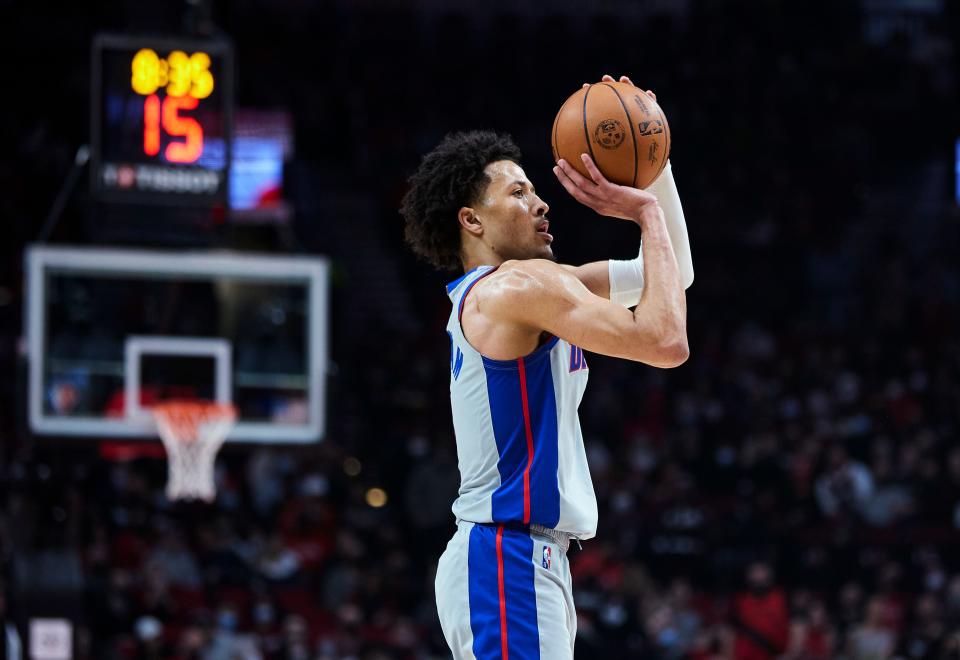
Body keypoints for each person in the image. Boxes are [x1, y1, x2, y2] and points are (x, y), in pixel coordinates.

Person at [399, 74, 693, 659]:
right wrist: (646, 217)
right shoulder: (516, 288)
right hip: (505, 556)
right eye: (517, 192)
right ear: (471, 221)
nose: (540, 202)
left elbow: (672, 277)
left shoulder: (532, 286)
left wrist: (654, 160)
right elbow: (665, 339)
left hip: (523, 558)